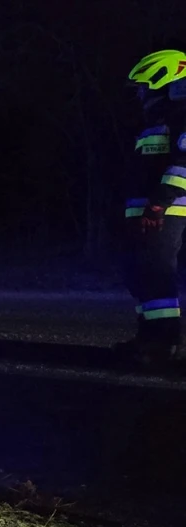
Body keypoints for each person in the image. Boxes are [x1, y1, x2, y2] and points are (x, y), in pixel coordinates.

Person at [118, 49, 186, 368]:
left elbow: (183, 163)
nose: (142, 95)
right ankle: (148, 338)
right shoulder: (157, 120)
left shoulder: (180, 114)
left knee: (158, 276)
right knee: (141, 276)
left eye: (145, 87)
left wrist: (159, 203)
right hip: (146, 212)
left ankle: (164, 344)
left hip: (166, 210)